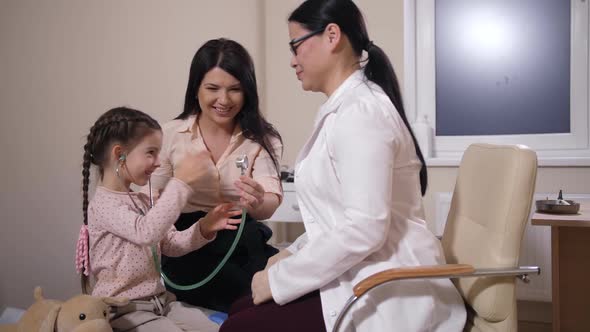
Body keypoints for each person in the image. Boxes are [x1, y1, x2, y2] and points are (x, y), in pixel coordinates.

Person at [220, 1, 467, 331]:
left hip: (386, 285)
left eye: (296, 45)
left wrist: (279, 279)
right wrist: (289, 256)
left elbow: (365, 228)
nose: (292, 60)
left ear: (332, 35)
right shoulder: (346, 108)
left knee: (239, 325)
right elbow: (336, 221)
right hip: (360, 271)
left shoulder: (362, 114)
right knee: (239, 306)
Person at [148, 38, 283, 313]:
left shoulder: (262, 139)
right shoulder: (170, 135)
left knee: (286, 282)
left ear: (247, 92)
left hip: (242, 240)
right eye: (212, 88)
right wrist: (182, 182)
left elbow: (270, 202)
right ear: (195, 88)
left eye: (235, 89)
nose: (224, 100)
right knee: (250, 298)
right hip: (187, 244)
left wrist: (257, 202)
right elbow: (150, 206)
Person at [77, 106, 241, 332]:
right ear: (119, 154)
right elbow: (146, 232)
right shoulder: (104, 205)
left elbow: (171, 244)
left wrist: (204, 227)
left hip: (161, 303)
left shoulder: (142, 200)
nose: (157, 161)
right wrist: (180, 183)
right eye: (151, 152)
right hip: (124, 311)